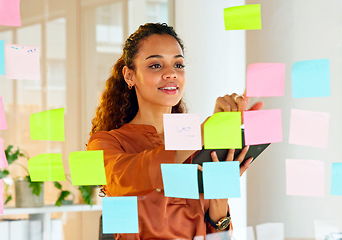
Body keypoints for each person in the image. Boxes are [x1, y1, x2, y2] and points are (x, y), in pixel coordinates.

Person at [87, 23, 263, 240]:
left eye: (178, 65)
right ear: (129, 76)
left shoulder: (198, 147)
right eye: (155, 65)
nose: (171, 73)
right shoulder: (104, 143)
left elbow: (220, 236)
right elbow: (128, 180)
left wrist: (220, 196)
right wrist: (204, 132)